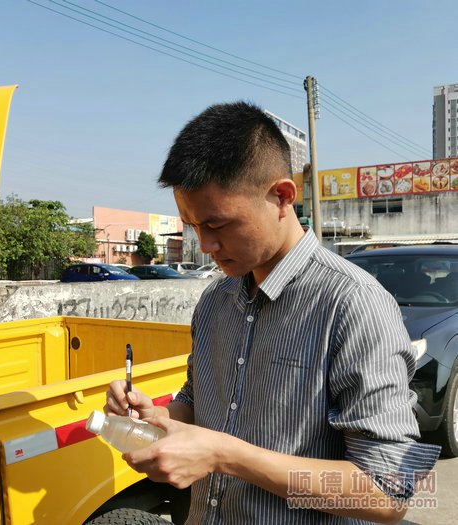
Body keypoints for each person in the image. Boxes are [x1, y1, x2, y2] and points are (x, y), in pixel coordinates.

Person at [105, 102, 440, 524]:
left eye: (218, 224)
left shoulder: (352, 305)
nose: (205, 245)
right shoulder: (215, 302)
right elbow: (197, 401)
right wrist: (158, 417)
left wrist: (223, 455)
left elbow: (387, 492)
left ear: (282, 196)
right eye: (192, 226)